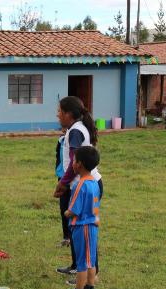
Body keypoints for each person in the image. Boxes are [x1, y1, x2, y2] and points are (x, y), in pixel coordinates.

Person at [53, 96, 102, 279]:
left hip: (85, 186)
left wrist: (62, 183)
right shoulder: (76, 128)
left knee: (85, 231)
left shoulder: (75, 132)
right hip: (84, 184)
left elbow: (75, 164)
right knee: (77, 229)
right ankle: (77, 266)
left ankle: (91, 274)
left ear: (68, 114)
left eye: (59, 111)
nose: (58, 115)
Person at [63, 146, 101, 289]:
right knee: (90, 258)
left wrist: (67, 212)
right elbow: (95, 205)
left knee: (81, 261)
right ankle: (90, 287)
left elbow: (74, 210)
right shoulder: (94, 183)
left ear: (80, 164)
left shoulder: (80, 184)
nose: (72, 163)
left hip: (82, 226)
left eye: (74, 160)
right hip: (92, 226)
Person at [55, 127, 70, 247]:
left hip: (73, 179)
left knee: (73, 208)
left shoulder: (75, 140)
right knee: (63, 208)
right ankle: (66, 238)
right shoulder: (60, 141)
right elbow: (58, 159)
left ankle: (74, 237)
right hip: (62, 178)